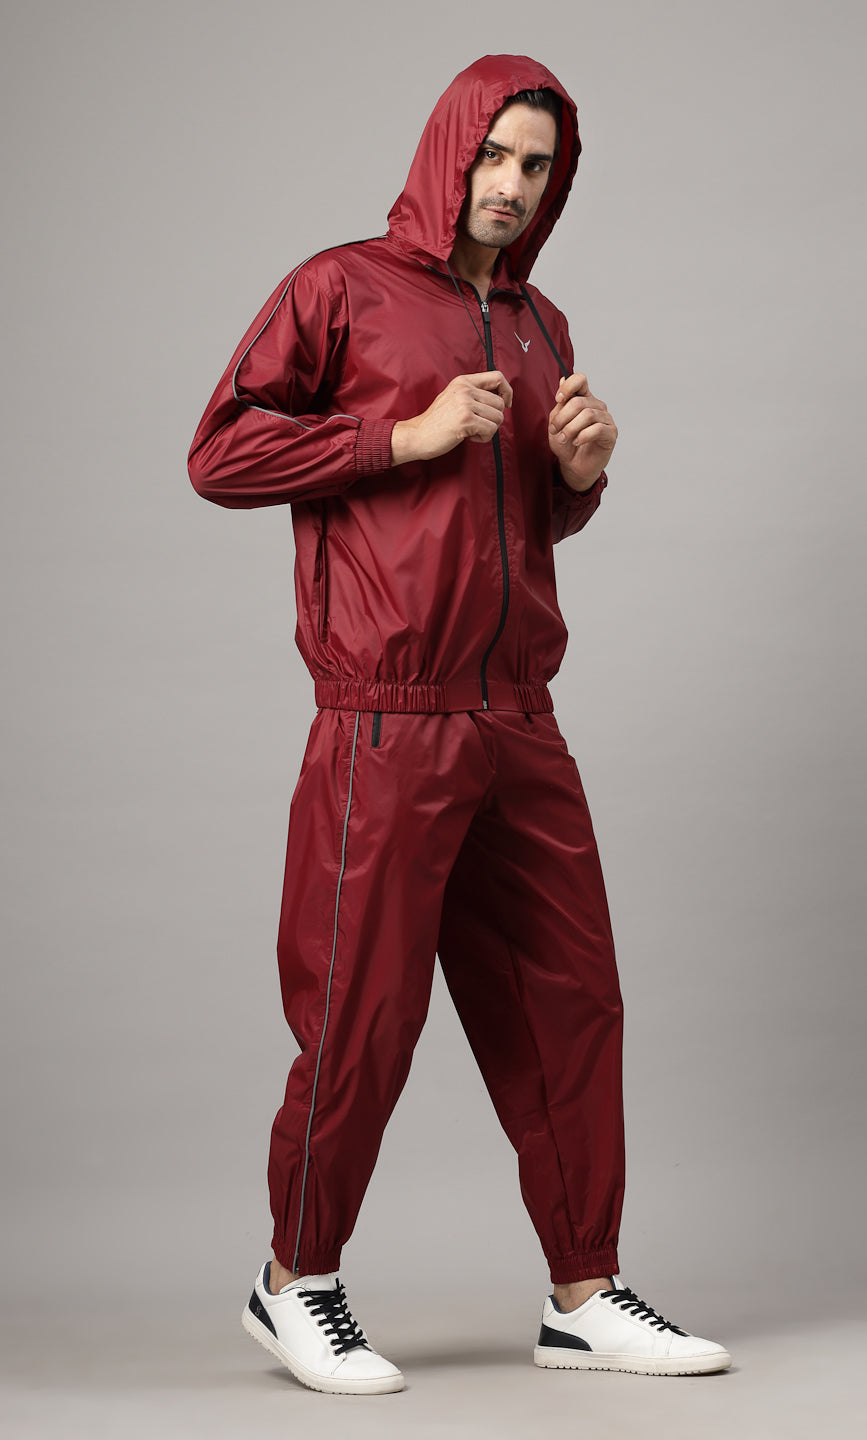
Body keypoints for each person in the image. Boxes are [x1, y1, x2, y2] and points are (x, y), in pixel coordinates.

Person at [188, 53, 731, 1394]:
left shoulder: (541, 323)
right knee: (362, 1013)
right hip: (387, 720)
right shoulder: (344, 289)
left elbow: (511, 526)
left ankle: (583, 1293)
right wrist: (402, 435)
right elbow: (221, 452)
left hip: (520, 718)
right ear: (450, 152)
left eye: (538, 165)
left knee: (570, 1002)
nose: (512, 184)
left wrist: (578, 479)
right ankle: (293, 1280)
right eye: (494, 155)